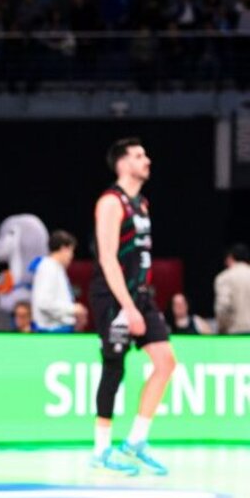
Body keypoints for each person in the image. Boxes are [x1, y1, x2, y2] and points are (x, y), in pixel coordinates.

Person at [88, 138, 176, 477]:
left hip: (141, 294)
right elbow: (107, 259)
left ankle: (136, 441)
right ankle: (100, 449)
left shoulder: (142, 204)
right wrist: (128, 307)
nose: (147, 160)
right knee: (114, 367)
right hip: (113, 296)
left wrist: (140, 302)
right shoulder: (111, 202)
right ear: (123, 164)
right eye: (140, 156)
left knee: (166, 363)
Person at [30, 230, 78, 332]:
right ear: (64, 249)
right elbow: (44, 303)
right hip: (52, 332)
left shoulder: (55, 267)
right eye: (71, 251)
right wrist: (74, 309)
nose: (72, 256)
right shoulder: (48, 267)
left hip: (58, 329)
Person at [215, 243, 250, 334]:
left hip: (234, 333)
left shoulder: (224, 278)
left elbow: (223, 308)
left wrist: (223, 329)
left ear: (230, 258)